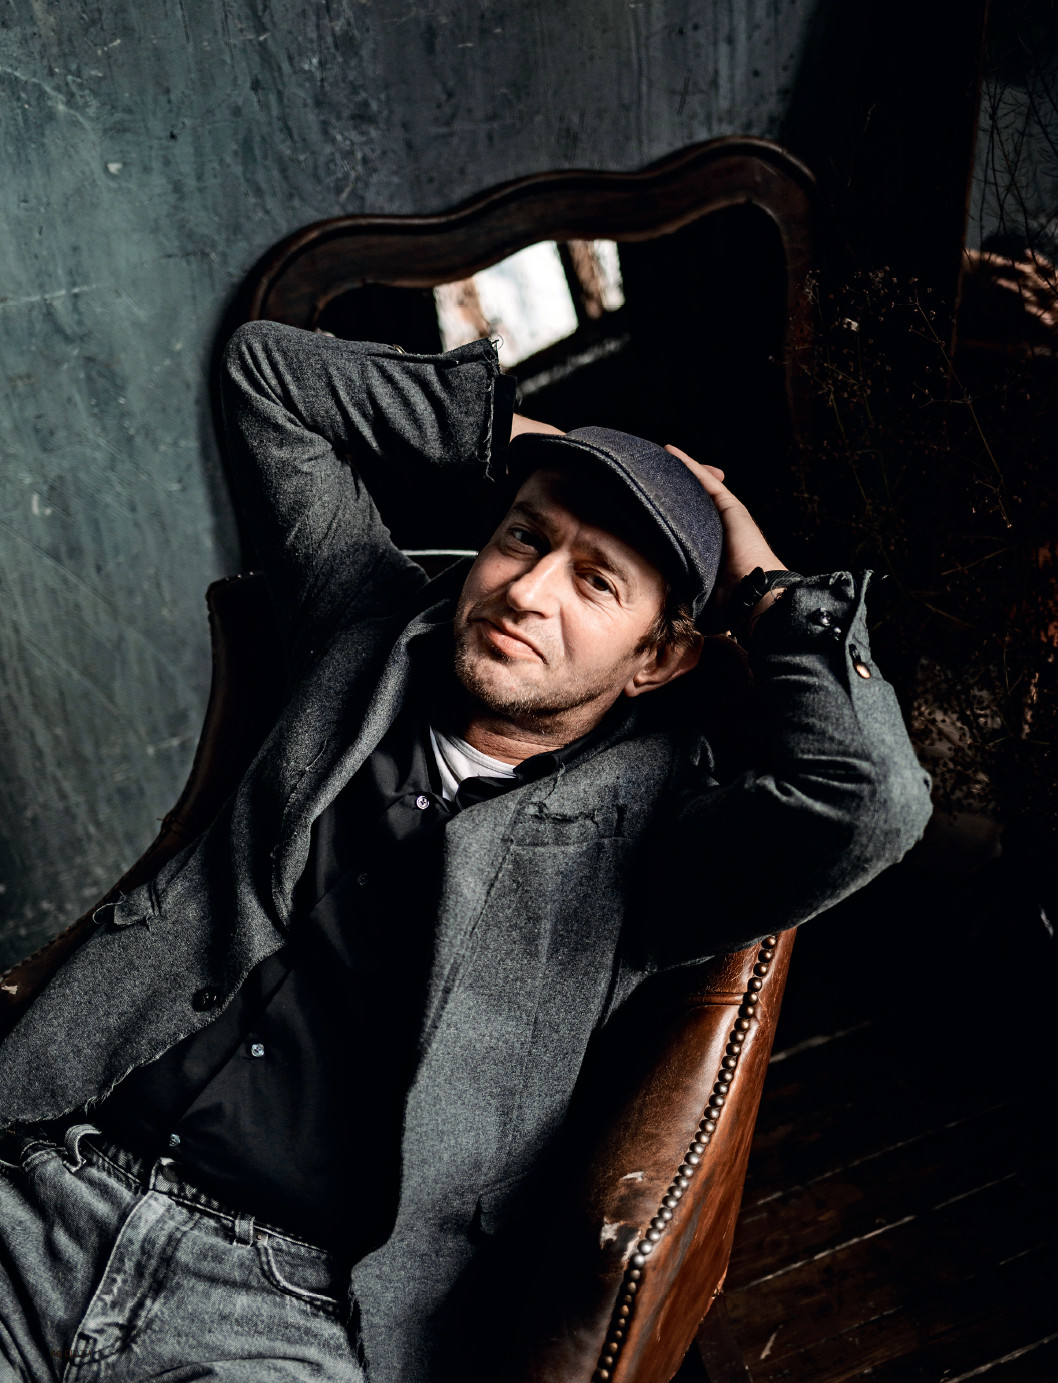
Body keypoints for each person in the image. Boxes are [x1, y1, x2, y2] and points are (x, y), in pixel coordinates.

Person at [0, 323, 933, 1383]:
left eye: (596, 583)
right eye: (525, 538)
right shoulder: (358, 621)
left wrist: (760, 585)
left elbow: (872, 801)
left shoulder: (656, 838)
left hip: (282, 1314)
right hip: (53, 1186)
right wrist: (532, 440)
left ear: (660, 659)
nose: (528, 592)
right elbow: (268, 373)